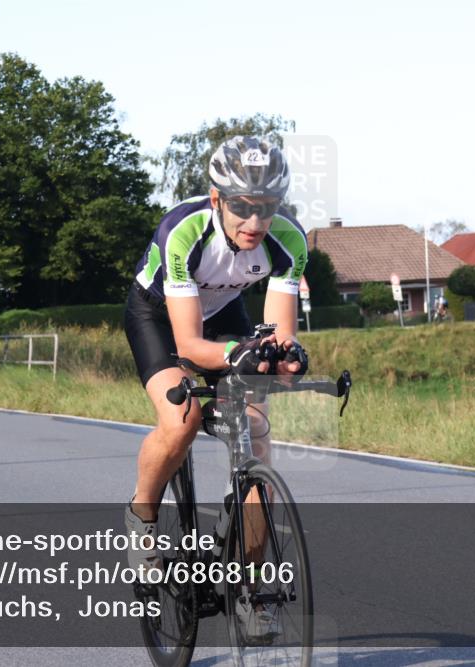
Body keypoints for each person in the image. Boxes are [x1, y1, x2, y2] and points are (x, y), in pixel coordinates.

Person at [122, 136, 308, 636]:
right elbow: (188, 343)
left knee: (256, 433)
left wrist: (286, 356)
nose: (255, 221)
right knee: (181, 419)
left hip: (224, 313)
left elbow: (279, 333)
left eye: (267, 206)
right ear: (216, 199)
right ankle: (141, 517)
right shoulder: (182, 231)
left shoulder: (289, 240)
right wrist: (236, 354)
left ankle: (248, 591)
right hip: (159, 318)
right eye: (242, 207)